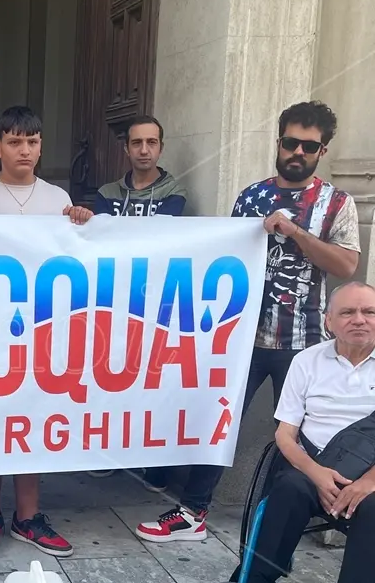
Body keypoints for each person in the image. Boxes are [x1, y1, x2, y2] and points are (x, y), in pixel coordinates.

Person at [136, 100, 360, 543]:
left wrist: (296, 233)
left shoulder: (337, 202)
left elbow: (346, 265)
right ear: (278, 143)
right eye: (291, 142)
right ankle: (192, 512)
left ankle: (292, 520)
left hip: (304, 340)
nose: (298, 152)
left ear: (322, 151)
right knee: (218, 421)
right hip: (241, 338)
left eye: (309, 146)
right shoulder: (251, 196)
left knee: (302, 435)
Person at [0, 105, 83, 559]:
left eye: (32, 142)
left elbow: (74, 256)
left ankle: (28, 515)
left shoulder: (57, 198)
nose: (24, 150)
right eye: (14, 142)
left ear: (41, 147)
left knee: (32, 422)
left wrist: (82, 225)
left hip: (42, 331)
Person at [237, 281, 375, 583]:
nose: (359, 320)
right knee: (286, 490)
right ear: (329, 321)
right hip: (313, 465)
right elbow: (285, 435)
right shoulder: (307, 361)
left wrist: (366, 483)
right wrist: (315, 473)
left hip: (369, 476)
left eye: (368, 312)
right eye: (347, 312)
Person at [79, 116, 188, 490]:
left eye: (151, 143)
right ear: (126, 148)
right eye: (137, 143)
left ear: (161, 147)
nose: (144, 150)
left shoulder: (175, 191)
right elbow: (101, 239)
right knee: (110, 378)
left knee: (152, 381)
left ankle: (154, 460)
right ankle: (109, 452)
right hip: (112, 299)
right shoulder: (107, 191)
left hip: (157, 302)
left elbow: (160, 238)